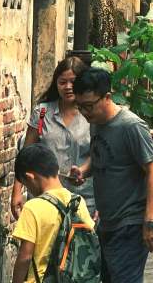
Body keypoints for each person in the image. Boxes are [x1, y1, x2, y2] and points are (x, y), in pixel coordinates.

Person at [71, 68, 153, 283]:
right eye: (80, 106)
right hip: (107, 222)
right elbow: (101, 155)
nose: (84, 112)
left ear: (107, 97)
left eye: (89, 106)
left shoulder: (131, 126)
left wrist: (150, 221)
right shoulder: (96, 122)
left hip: (130, 223)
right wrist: (84, 170)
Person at [11, 57, 93, 219]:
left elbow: (99, 152)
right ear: (56, 83)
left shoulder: (92, 114)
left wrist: (83, 171)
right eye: (62, 82)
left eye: (73, 82)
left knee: (79, 236)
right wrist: (17, 191)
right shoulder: (42, 113)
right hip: (44, 197)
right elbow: (26, 155)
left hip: (82, 199)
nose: (68, 87)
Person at [11, 144, 96, 282]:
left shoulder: (32, 208)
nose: (29, 189)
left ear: (30, 177)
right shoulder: (78, 202)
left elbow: (25, 257)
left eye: (26, 185)